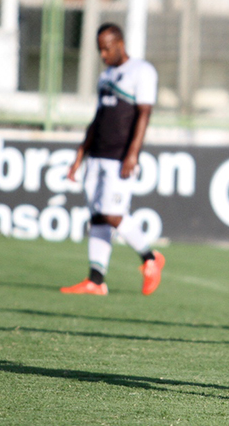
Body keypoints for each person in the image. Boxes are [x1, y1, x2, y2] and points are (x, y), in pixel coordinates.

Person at [60, 23, 165, 296]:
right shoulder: (105, 76)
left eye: (106, 48)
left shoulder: (142, 71)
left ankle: (150, 258)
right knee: (97, 216)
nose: (103, 54)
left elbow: (144, 114)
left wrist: (133, 154)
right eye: (99, 50)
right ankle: (96, 280)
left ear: (120, 44)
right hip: (96, 154)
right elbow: (97, 119)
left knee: (112, 213)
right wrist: (80, 154)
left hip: (120, 157)